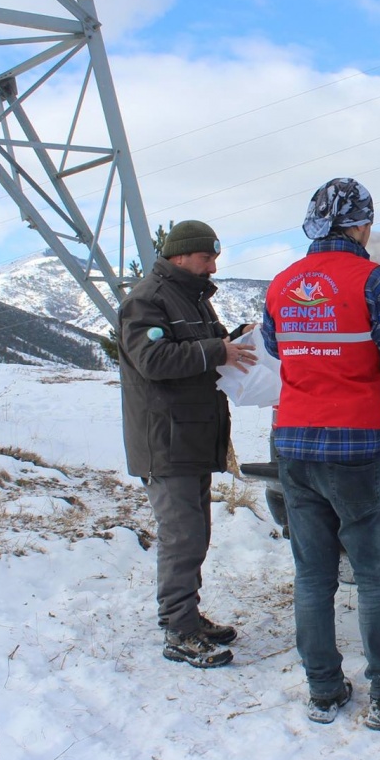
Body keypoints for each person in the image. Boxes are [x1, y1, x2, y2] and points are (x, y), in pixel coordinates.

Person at [262, 177, 380, 731]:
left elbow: (273, 347)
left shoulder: (282, 283)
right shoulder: (373, 281)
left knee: (313, 576)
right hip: (357, 446)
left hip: (293, 444)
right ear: (360, 225)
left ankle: (323, 690)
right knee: (374, 579)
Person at [119, 220, 255, 669]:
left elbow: (200, 347)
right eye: (206, 258)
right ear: (181, 255)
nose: (213, 267)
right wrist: (218, 350)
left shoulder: (191, 298)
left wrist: (232, 340)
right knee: (181, 538)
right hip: (166, 439)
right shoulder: (148, 300)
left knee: (196, 536)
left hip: (192, 435)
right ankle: (178, 629)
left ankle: (189, 617)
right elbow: (154, 360)